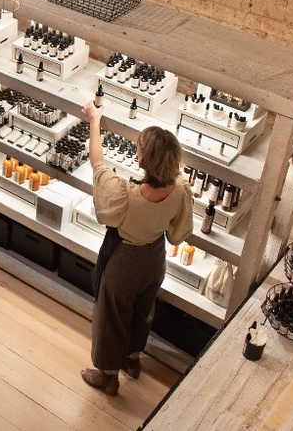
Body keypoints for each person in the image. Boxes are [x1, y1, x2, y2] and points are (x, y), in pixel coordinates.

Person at [80, 100, 193, 396]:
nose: (137, 150)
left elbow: (98, 164)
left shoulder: (127, 195)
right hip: (155, 258)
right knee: (143, 310)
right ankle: (133, 360)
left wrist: (95, 121)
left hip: (125, 260)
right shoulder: (180, 188)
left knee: (111, 316)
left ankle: (108, 376)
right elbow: (178, 232)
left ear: (144, 158)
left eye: (140, 148)